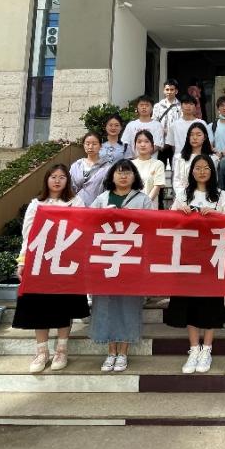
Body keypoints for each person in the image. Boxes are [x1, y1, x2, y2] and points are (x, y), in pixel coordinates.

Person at [13, 164, 89, 373]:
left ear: (67, 181)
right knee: (39, 306)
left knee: (64, 305)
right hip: (40, 263)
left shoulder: (75, 202)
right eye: (53, 176)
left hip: (66, 262)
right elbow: (28, 235)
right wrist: (23, 261)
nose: (57, 181)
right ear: (46, 179)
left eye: (62, 177)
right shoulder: (36, 204)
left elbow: (81, 228)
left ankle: (61, 350)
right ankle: (41, 352)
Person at [166, 154, 225, 374]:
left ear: (212, 171)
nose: (202, 171)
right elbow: (170, 223)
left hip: (212, 256)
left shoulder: (220, 195)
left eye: (206, 168)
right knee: (189, 302)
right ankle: (194, 348)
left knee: (210, 302)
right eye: (198, 168)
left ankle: (207, 349)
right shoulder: (183, 195)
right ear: (191, 171)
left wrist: (214, 214)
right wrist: (181, 214)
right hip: (188, 257)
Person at [89, 160, 155, 373]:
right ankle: (111, 352)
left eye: (127, 172)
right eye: (119, 173)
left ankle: (124, 352)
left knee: (129, 305)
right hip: (106, 260)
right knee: (105, 305)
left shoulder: (143, 199)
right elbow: (88, 223)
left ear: (134, 176)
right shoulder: (102, 199)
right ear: (112, 176)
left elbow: (152, 227)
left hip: (132, 261)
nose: (123, 176)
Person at [172, 122, 218, 197]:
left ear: (205, 137)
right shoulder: (180, 158)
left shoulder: (213, 159)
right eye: (191, 135)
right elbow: (177, 180)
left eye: (198, 135)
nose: (195, 138)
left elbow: (214, 180)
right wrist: (183, 196)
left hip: (206, 197)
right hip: (184, 198)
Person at [92, 115, 133, 193]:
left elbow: (128, 167)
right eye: (110, 125)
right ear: (105, 127)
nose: (113, 128)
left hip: (119, 182)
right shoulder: (99, 145)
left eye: (116, 125)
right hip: (98, 182)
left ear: (121, 128)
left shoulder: (125, 147)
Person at [69, 131, 106, 206]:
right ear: (83, 145)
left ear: (101, 146)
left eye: (94, 144)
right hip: (76, 206)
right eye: (87, 144)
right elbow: (69, 187)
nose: (90, 147)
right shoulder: (76, 166)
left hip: (97, 207)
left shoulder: (107, 167)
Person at [131, 129, 165, 205]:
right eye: (139, 142)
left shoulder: (158, 164)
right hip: (131, 206)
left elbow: (157, 187)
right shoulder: (130, 164)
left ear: (152, 145)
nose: (142, 145)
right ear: (135, 145)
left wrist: (144, 204)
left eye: (146, 141)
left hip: (150, 207)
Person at [152, 79, 182, 158]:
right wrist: (162, 130)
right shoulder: (158, 106)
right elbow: (154, 123)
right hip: (161, 142)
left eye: (172, 89)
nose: (169, 92)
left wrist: (171, 131)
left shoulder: (181, 106)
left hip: (176, 142)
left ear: (176, 91)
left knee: (176, 163)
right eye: (167, 89)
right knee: (160, 163)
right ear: (163, 91)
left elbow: (182, 123)